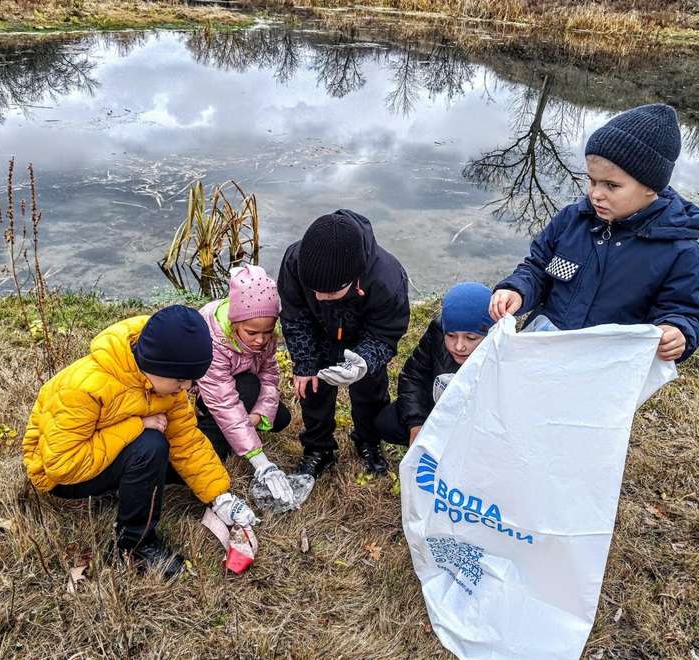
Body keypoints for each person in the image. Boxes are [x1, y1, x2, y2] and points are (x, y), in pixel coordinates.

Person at [22, 305, 258, 580]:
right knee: (150, 445)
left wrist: (220, 496)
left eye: (191, 380)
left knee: (184, 451)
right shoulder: (84, 387)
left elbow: (186, 439)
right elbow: (62, 466)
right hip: (63, 476)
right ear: (156, 365)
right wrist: (136, 426)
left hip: (108, 453)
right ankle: (134, 547)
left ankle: (136, 485)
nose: (186, 388)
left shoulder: (164, 381)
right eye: (182, 380)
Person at [489, 103, 699, 362]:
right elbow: (537, 269)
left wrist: (677, 331)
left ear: (650, 187)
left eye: (611, 186)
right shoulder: (572, 220)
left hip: (607, 364)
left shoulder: (680, 250)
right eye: (592, 180)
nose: (596, 193)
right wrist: (517, 290)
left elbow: (682, 310)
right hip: (543, 346)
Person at [278, 210, 410, 478]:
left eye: (330, 292)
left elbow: (386, 332)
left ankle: (368, 442)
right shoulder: (295, 261)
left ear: (355, 278)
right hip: (319, 332)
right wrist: (304, 362)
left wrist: (364, 361)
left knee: (370, 390)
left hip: (363, 336)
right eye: (314, 289)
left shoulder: (387, 278)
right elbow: (295, 316)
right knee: (313, 389)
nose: (320, 297)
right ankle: (318, 449)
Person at [196, 265, 294, 507]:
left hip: (238, 389)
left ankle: (237, 433)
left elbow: (270, 374)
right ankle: (215, 432)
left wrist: (259, 415)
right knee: (216, 452)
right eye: (252, 333)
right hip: (204, 398)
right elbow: (224, 401)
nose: (261, 340)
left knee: (278, 417)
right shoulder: (212, 341)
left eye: (268, 332)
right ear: (234, 322)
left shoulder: (264, 337)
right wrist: (260, 461)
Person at [376, 282, 495, 447]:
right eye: (451, 335)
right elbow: (413, 376)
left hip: (477, 424)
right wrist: (416, 424)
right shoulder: (437, 331)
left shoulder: (503, 354)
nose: (459, 346)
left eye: (471, 338)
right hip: (441, 410)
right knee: (388, 422)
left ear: (491, 333)